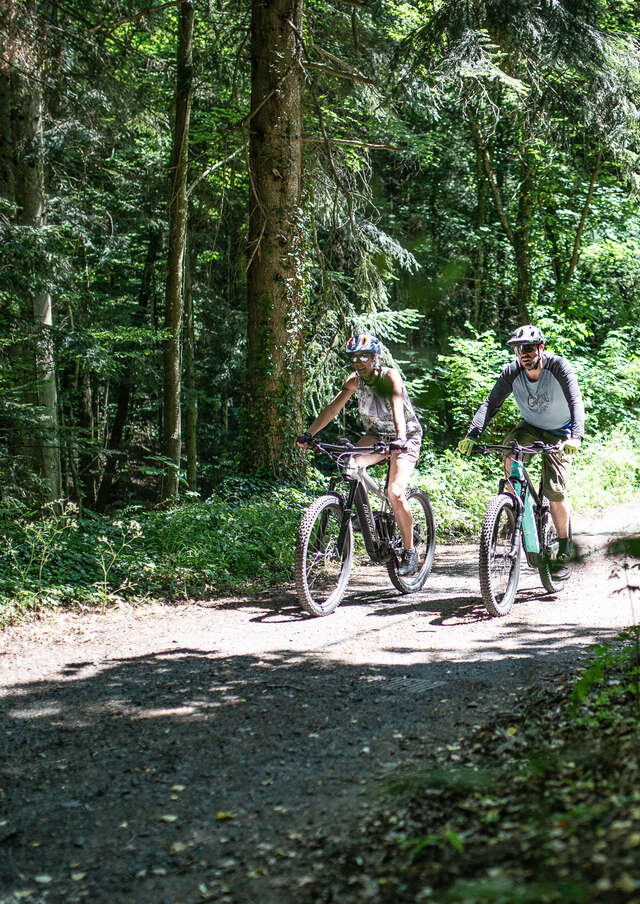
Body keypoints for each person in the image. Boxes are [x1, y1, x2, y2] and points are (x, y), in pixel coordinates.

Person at [457, 324, 585, 579]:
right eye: (518, 350)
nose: (523, 354)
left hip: (561, 431)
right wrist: (472, 435)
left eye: (528, 348)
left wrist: (576, 437)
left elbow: (575, 400)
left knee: (554, 490)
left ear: (540, 348)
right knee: (509, 453)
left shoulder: (558, 366)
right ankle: (515, 509)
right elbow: (491, 403)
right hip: (530, 427)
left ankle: (564, 547)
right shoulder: (512, 372)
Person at [297, 334, 423, 576]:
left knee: (395, 492)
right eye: (354, 357)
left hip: (406, 436)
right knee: (351, 465)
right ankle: (367, 520)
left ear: (375, 357)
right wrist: (309, 434)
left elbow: (397, 407)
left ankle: (409, 551)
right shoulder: (354, 381)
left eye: (363, 357)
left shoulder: (389, 376)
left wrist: (399, 439)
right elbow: (332, 408)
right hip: (376, 435)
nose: (358, 362)